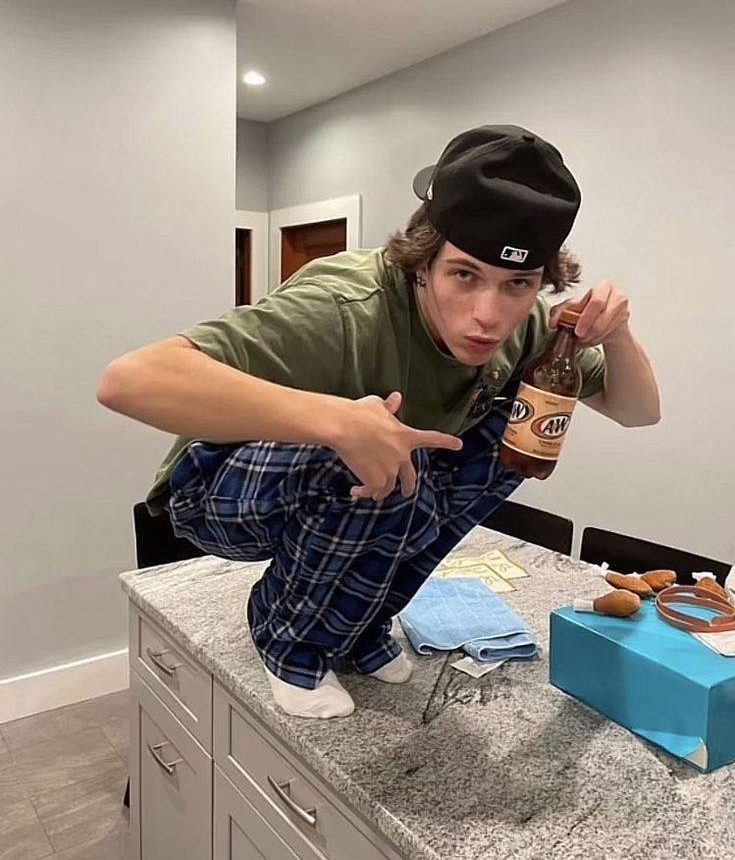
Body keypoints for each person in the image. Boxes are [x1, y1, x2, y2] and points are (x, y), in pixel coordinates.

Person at [97, 124, 661, 719]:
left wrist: (618, 334)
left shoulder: (530, 328)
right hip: (214, 493)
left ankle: (360, 626)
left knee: (510, 440)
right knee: (380, 450)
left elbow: (637, 412)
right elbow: (128, 380)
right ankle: (287, 640)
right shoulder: (346, 305)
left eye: (517, 285)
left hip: (364, 497)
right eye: (464, 275)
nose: (488, 317)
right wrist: (335, 419)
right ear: (423, 262)